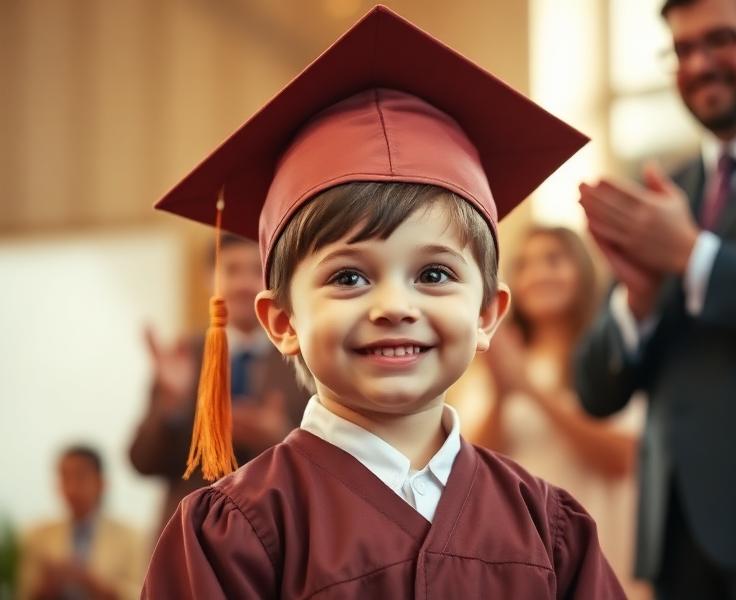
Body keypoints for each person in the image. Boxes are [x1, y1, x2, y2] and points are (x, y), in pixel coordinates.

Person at [140, 5, 625, 598]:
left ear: (487, 314)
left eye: (434, 273)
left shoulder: (551, 529)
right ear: (282, 320)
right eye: (348, 278)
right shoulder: (236, 532)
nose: (394, 305)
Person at [576, 0, 736, 597]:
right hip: (678, 542)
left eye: (719, 40)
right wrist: (639, 302)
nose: (698, 64)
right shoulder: (667, 193)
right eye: (681, 49)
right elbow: (596, 390)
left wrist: (694, 258)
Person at [459, 226, 649, 599]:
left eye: (554, 260)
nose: (539, 274)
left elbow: (623, 458)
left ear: (582, 269)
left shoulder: (609, 356)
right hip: (523, 555)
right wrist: (502, 395)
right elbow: (470, 469)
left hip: (604, 545)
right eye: (526, 265)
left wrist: (530, 391)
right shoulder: (496, 358)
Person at [129, 233, 309, 534]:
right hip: (191, 532)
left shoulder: (303, 357)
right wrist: (171, 407)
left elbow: (331, 462)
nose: (243, 284)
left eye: (257, 271)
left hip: (276, 531)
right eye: (231, 270)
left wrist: (281, 438)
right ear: (208, 278)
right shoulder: (184, 356)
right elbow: (143, 462)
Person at [17, 445, 145, 600]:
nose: (71, 488)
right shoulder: (37, 536)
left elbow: (141, 594)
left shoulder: (131, 537)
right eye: (65, 477)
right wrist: (46, 585)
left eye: (80, 477)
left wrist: (90, 582)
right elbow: (22, 592)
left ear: (101, 483)